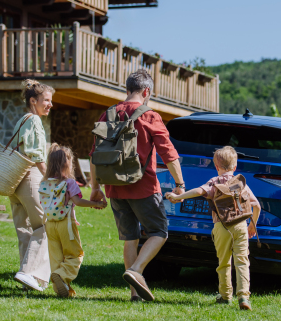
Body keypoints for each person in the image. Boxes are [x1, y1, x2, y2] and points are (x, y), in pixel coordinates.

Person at [89, 69, 185, 302]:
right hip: (143, 187)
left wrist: (95, 188)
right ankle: (136, 270)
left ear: (127, 89)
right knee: (159, 231)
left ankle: (135, 294)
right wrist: (180, 183)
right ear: (147, 91)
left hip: (114, 187)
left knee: (130, 238)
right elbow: (169, 154)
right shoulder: (150, 115)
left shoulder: (108, 114)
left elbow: (94, 154)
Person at [165, 146, 261, 311]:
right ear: (235, 166)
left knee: (224, 262)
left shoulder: (215, 182)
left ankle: (225, 296)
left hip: (222, 226)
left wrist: (178, 197)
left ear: (216, 166)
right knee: (242, 261)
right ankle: (244, 296)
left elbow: (198, 191)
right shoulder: (240, 182)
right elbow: (256, 205)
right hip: (241, 226)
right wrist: (252, 225)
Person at [39, 144, 106, 298]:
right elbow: (77, 201)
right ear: (67, 163)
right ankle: (61, 275)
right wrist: (96, 204)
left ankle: (62, 289)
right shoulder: (69, 183)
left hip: (49, 224)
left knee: (57, 257)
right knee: (75, 255)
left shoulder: (45, 183)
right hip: (65, 224)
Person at [9, 79, 55, 291]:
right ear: (33, 100)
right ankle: (28, 273)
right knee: (44, 226)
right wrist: (50, 179)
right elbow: (37, 155)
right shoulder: (35, 121)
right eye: (46, 100)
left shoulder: (22, 120)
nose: (50, 104)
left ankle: (29, 279)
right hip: (29, 177)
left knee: (25, 229)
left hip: (14, 180)